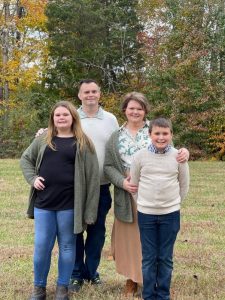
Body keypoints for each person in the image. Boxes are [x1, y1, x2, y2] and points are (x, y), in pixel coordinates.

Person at [104, 92, 189, 296]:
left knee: (156, 245)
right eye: (131, 108)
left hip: (157, 194)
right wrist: (123, 182)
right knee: (131, 240)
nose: (135, 112)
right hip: (129, 191)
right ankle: (132, 279)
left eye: (139, 108)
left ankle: (159, 283)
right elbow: (108, 166)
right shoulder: (116, 136)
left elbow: (174, 157)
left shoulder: (156, 130)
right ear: (124, 110)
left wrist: (184, 152)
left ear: (145, 111)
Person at [20, 101, 99, 300]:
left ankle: (62, 288)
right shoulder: (43, 139)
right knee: (42, 246)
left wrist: (89, 211)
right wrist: (33, 178)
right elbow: (26, 159)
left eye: (65, 114)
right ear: (53, 119)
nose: (61, 117)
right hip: (44, 204)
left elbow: (92, 179)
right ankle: (39, 288)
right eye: (57, 115)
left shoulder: (83, 143)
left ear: (73, 117)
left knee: (66, 246)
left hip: (69, 206)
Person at [130, 117, 189, 300]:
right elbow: (134, 184)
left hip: (170, 215)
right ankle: (148, 295)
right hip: (146, 214)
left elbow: (184, 185)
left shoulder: (178, 157)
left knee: (165, 257)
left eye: (165, 133)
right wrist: (144, 203)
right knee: (149, 258)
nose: (161, 137)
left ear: (171, 135)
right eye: (157, 133)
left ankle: (163, 294)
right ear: (150, 135)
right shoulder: (140, 156)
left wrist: (173, 203)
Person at [69, 79, 119, 291]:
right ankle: (76, 274)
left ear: (100, 94)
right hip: (75, 188)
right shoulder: (71, 117)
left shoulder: (110, 119)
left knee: (97, 232)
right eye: (86, 92)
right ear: (79, 95)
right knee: (75, 232)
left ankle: (92, 272)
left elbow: (119, 147)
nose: (90, 95)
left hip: (101, 186)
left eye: (94, 91)